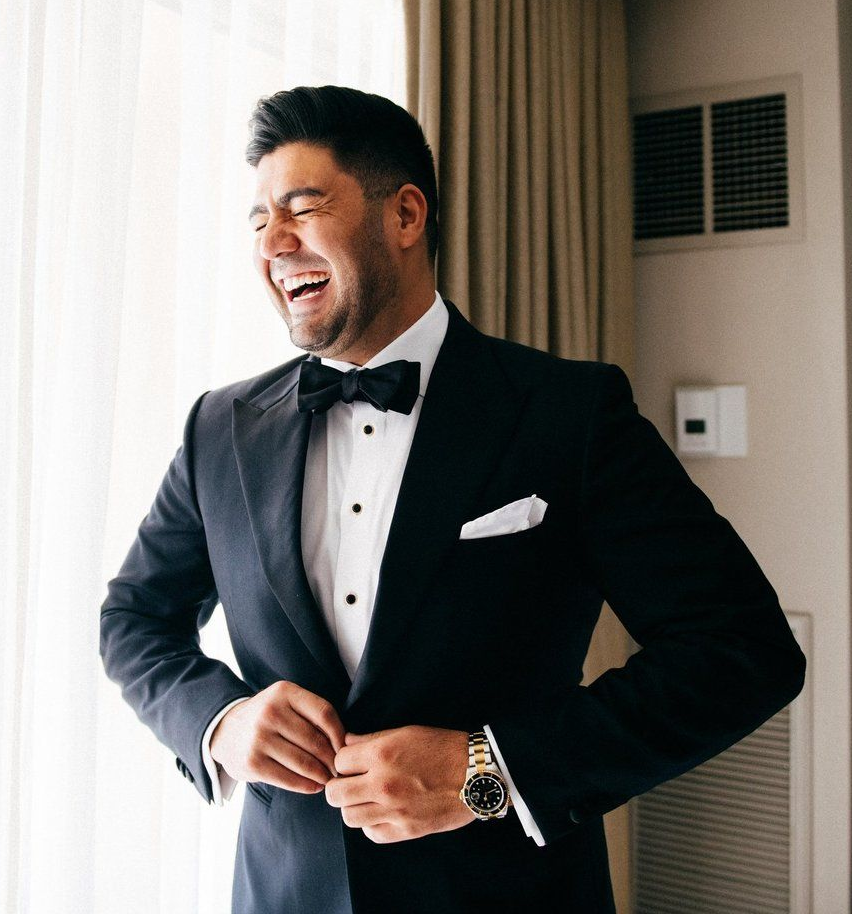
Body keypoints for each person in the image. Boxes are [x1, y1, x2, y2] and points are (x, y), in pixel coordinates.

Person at [99, 85, 806, 914]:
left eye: (302, 207)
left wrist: (487, 771)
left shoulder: (567, 415)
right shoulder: (220, 428)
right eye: (258, 221)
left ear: (405, 215)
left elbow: (742, 649)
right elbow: (133, 618)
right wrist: (220, 721)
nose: (274, 243)